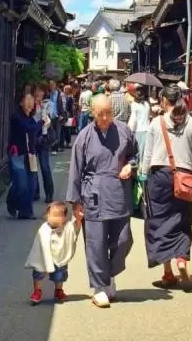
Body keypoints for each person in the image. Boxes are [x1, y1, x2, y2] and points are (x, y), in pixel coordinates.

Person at [68, 94, 139, 308]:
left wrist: (131, 166)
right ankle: (99, 286)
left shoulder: (124, 131)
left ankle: (109, 275)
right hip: (94, 195)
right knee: (96, 244)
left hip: (119, 192)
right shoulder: (84, 136)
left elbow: (134, 154)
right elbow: (75, 170)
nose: (107, 117)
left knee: (123, 239)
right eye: (102, 114)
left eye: (109, 112)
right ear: (93, 114)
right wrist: (76, 202)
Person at [140, 86, 192, 288]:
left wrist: (142, 175)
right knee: (182, 220)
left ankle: (167, 272)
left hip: (159, 176)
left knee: (159, 222)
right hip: (185, 177)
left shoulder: (156, 123)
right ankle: (182, 260)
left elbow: (147, 154)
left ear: (165, 101)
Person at [25, 201, 82, 305]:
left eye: (58, 216)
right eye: (52, 215)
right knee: (38, 273)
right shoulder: (44, 229)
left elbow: (75, 229)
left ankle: (58, 290)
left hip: (59, 257)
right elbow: (39, 243)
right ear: (47, 215)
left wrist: (78, 219)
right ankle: (37, 291)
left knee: (59, 274)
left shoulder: (67, 227)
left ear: (65, 218)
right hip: (43, 257)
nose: (54, 218)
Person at [7, 94, 40, 220]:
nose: (30, 103)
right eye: (27, 100)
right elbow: (28, 129)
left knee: (32, 184)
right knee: (21, 184)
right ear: (21, 103)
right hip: (18, 153)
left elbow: (34, 135)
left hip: (31, 154)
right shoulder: (17, 117)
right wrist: (41, 123)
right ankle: (11, 200)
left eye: (32, 101)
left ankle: (26, 212)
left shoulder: (31, 119)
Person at [32, 86, 55, 203]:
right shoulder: (30, 104)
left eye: (41, 92)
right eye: (37, 92)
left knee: (45, 167)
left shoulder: (47, 104)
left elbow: (49, 120)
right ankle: (35, 192)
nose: (38, 94)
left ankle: (49, 193)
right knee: (33, 167)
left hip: (43, 138)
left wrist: (42, 108)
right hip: (32, 138)